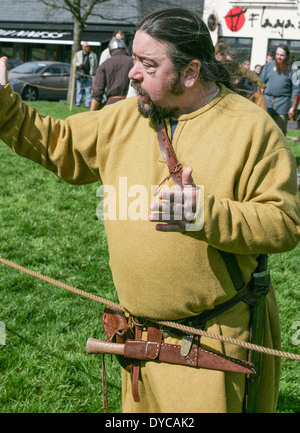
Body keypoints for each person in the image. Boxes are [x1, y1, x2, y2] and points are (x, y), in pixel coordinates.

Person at [0, 7, 299, 414]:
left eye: (148, 64)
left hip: (210, 347)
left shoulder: (252, 129)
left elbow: (284, 223)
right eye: (134, 59)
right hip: (137, 343)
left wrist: (207, 216)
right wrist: (6, 110)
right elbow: (61, 143)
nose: (132, 73)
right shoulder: (124, 116)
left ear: (190, 72)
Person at [260, 44, 300, 135]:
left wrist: (293, 107)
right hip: (266, 103)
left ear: (287, 56)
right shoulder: (268, 66)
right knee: (264, 131)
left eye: (282, 55)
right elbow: (260, 81)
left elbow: (296, 89)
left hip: (283, 104)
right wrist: (260, 88)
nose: (279, 57)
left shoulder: (294, 69)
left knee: (280, 133)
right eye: (277, 54)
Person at [90, 38, 134, 111]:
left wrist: (92, 113)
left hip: (111, 107)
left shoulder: (104, 65)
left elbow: (97, 93)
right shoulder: (133, 62)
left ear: (111, 50)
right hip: (131, 106)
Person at [75, 41, 98, 108]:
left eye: (88, 46)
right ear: (83, 47)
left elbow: (96, 65)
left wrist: (94, 73)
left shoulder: (93, 55)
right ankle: (78, 103)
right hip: (80, 74)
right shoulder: (78, 54)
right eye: (86, 46)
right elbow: (74, 63)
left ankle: (88, 104)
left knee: (88, 90)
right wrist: (78, 64)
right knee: (79, 89)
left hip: (89, 75)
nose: (87, 48)